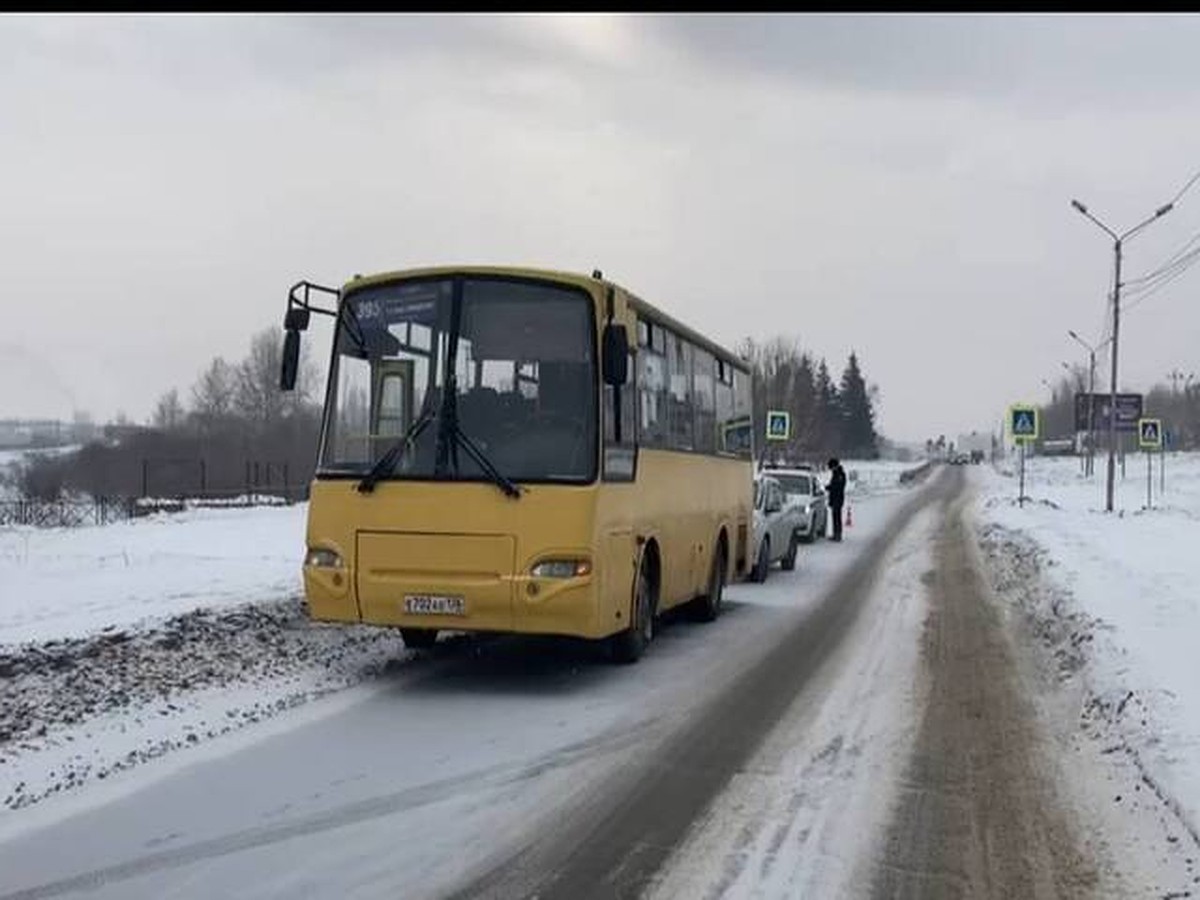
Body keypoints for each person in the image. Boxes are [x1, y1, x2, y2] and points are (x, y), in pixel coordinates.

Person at [826, 457, 846, 541]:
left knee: (837, 517)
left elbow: (839, 486)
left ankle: (838, 535)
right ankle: (835, 534)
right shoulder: (836, 473)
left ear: (834, 466)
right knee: (835, 517)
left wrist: (830, 487)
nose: (830, 469)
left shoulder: (840, 474)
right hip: (835, 498)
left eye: (831, 467)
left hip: (837, 498)